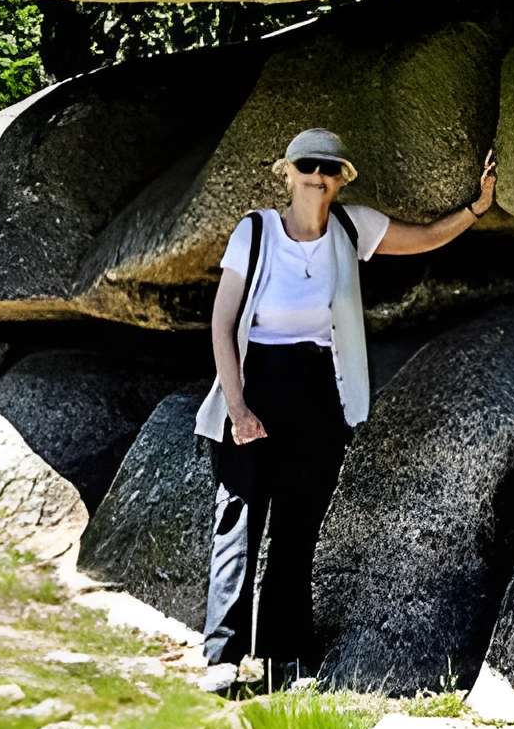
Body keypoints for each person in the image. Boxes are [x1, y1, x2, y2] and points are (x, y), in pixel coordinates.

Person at [192, 126, 497, 692]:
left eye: (329, 168)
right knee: (239, 517)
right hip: (256, 381)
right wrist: (237, 406)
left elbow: (427, 237)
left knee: (298, 525)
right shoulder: (255, 231)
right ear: (288, 172)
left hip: (317, 391)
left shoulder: (352, 227)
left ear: (340, 180)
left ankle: (285, 658)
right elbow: (223, 322)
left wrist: (477, 208)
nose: (318, 176)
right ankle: (222, 657)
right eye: (308, 165)